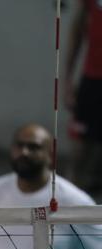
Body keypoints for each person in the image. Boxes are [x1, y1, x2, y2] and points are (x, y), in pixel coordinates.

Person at [63, 0, 102, 198]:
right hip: (93, 81)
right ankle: (68, 213)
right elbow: (76, 32)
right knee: (79, 154)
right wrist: (68, 80)